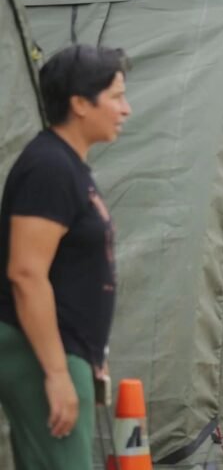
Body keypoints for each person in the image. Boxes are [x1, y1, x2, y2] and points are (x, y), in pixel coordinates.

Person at [0, 44, 131, 469]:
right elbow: (25, 273)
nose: (125, 109)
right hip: (39, 351)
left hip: (65, 349)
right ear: (79, 103)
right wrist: (56, 373)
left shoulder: (68, 166)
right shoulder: (49, 168)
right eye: (115, 96)